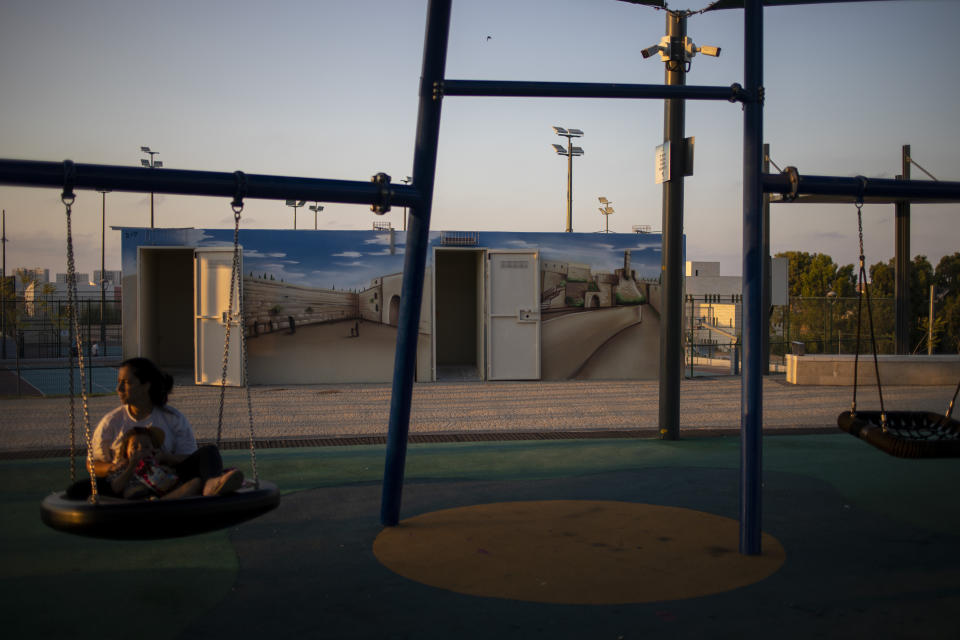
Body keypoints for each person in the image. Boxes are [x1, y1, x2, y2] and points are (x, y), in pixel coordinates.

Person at [67, 357, 243, 499]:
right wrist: (115, 467)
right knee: (78, 489)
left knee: (209, 452)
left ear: (146, 385)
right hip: (126, 480)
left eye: (127, 383)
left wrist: (166, 458)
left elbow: (189, 458)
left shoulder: (172, 419)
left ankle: (211, 484)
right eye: (119, 382)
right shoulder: (111, 422)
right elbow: (93, 464)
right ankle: (162, 497)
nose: (118, 388)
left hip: (167, 479)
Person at [108, 426, 202, 500]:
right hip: (136, 502)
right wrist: (131, 466)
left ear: (153, 449)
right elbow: (116, 487)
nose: (140, 450)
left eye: (146, 447)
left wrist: (165, 472)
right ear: (126, 452)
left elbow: (175, 483)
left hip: (163, 498)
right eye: (135, 447)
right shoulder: (123, 468)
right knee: (132, 491)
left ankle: (158, 504)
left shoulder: (159, 464)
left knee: (196, 482)